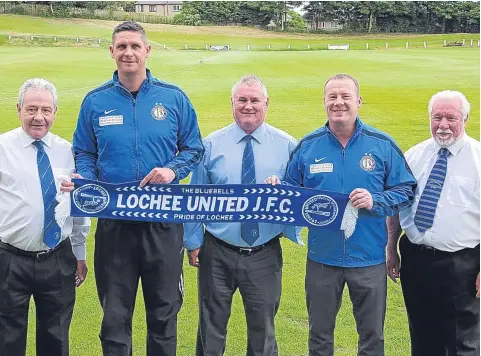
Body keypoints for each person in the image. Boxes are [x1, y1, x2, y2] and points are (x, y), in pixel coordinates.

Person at [63, 21, 204, 356]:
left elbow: (194, 148)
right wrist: (89, 178)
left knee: (164, 315)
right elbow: (84, 150)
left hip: (164, 225)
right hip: (115, 227)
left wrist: (171, 170)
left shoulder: (173, 98)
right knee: (114, 318)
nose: (128, 52)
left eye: (135, 46)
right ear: (112, 52)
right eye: (121, 46)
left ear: (147, 51)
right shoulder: (96, 101)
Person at [268, 73, 416, 356]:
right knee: (320, 337)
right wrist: (278, 188)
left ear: (358, 101)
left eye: (345, 96)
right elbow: (291, 191)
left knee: (372, 337)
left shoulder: (381, 145)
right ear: (324, 102)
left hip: (369, 260)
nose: (339, 102)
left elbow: (406, 189)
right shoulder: (309, 146)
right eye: (332, 96)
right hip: (322, 260)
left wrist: (376, 200)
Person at [184, 74, 300, 356]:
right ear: (232, 103)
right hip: (217, 251)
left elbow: (301, 196)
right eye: (242, 100)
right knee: (211, 330)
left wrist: (283, 191)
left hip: (264, 252)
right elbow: (195, 196)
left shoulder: (288, 146)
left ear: (267, 103)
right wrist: (192, 241)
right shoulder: (210, 145)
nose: (248, 106)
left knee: (263, 333)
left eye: (255, 100)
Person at [0, 78, 90, 356]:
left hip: (57, 258)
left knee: (56, 336)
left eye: (46, 110)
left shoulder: (67, 150)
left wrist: (80, 251)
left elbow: (77, 205)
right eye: (31, 109)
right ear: (19, 109)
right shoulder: (2, 148)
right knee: (7, 337)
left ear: (55, 112)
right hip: (10, 259)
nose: (39, 117)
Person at [386, 90, 480, 356]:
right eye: (437, 117)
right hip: (416, 260)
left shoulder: (478, 159)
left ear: (466, 118)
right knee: (423, 335)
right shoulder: (413, 156)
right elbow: (396, 207)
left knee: (463, 341)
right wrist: (391, 248)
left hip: (463, 264)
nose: (443, 125)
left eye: (451, 117)